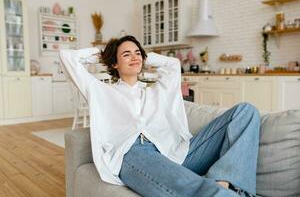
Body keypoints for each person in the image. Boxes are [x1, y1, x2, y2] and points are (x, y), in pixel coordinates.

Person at [59, 35, 260, 197]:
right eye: (126, 55)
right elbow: (67, 57)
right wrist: (103, 54)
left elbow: (172, 65)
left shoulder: (156, 90)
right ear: (114, 64)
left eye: (137, 53)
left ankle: (224, 180)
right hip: (134, 153)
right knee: (189, 186)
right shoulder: (102, 91)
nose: (135, 57)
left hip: (174, 152)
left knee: (246, 111)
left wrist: (146, 56)